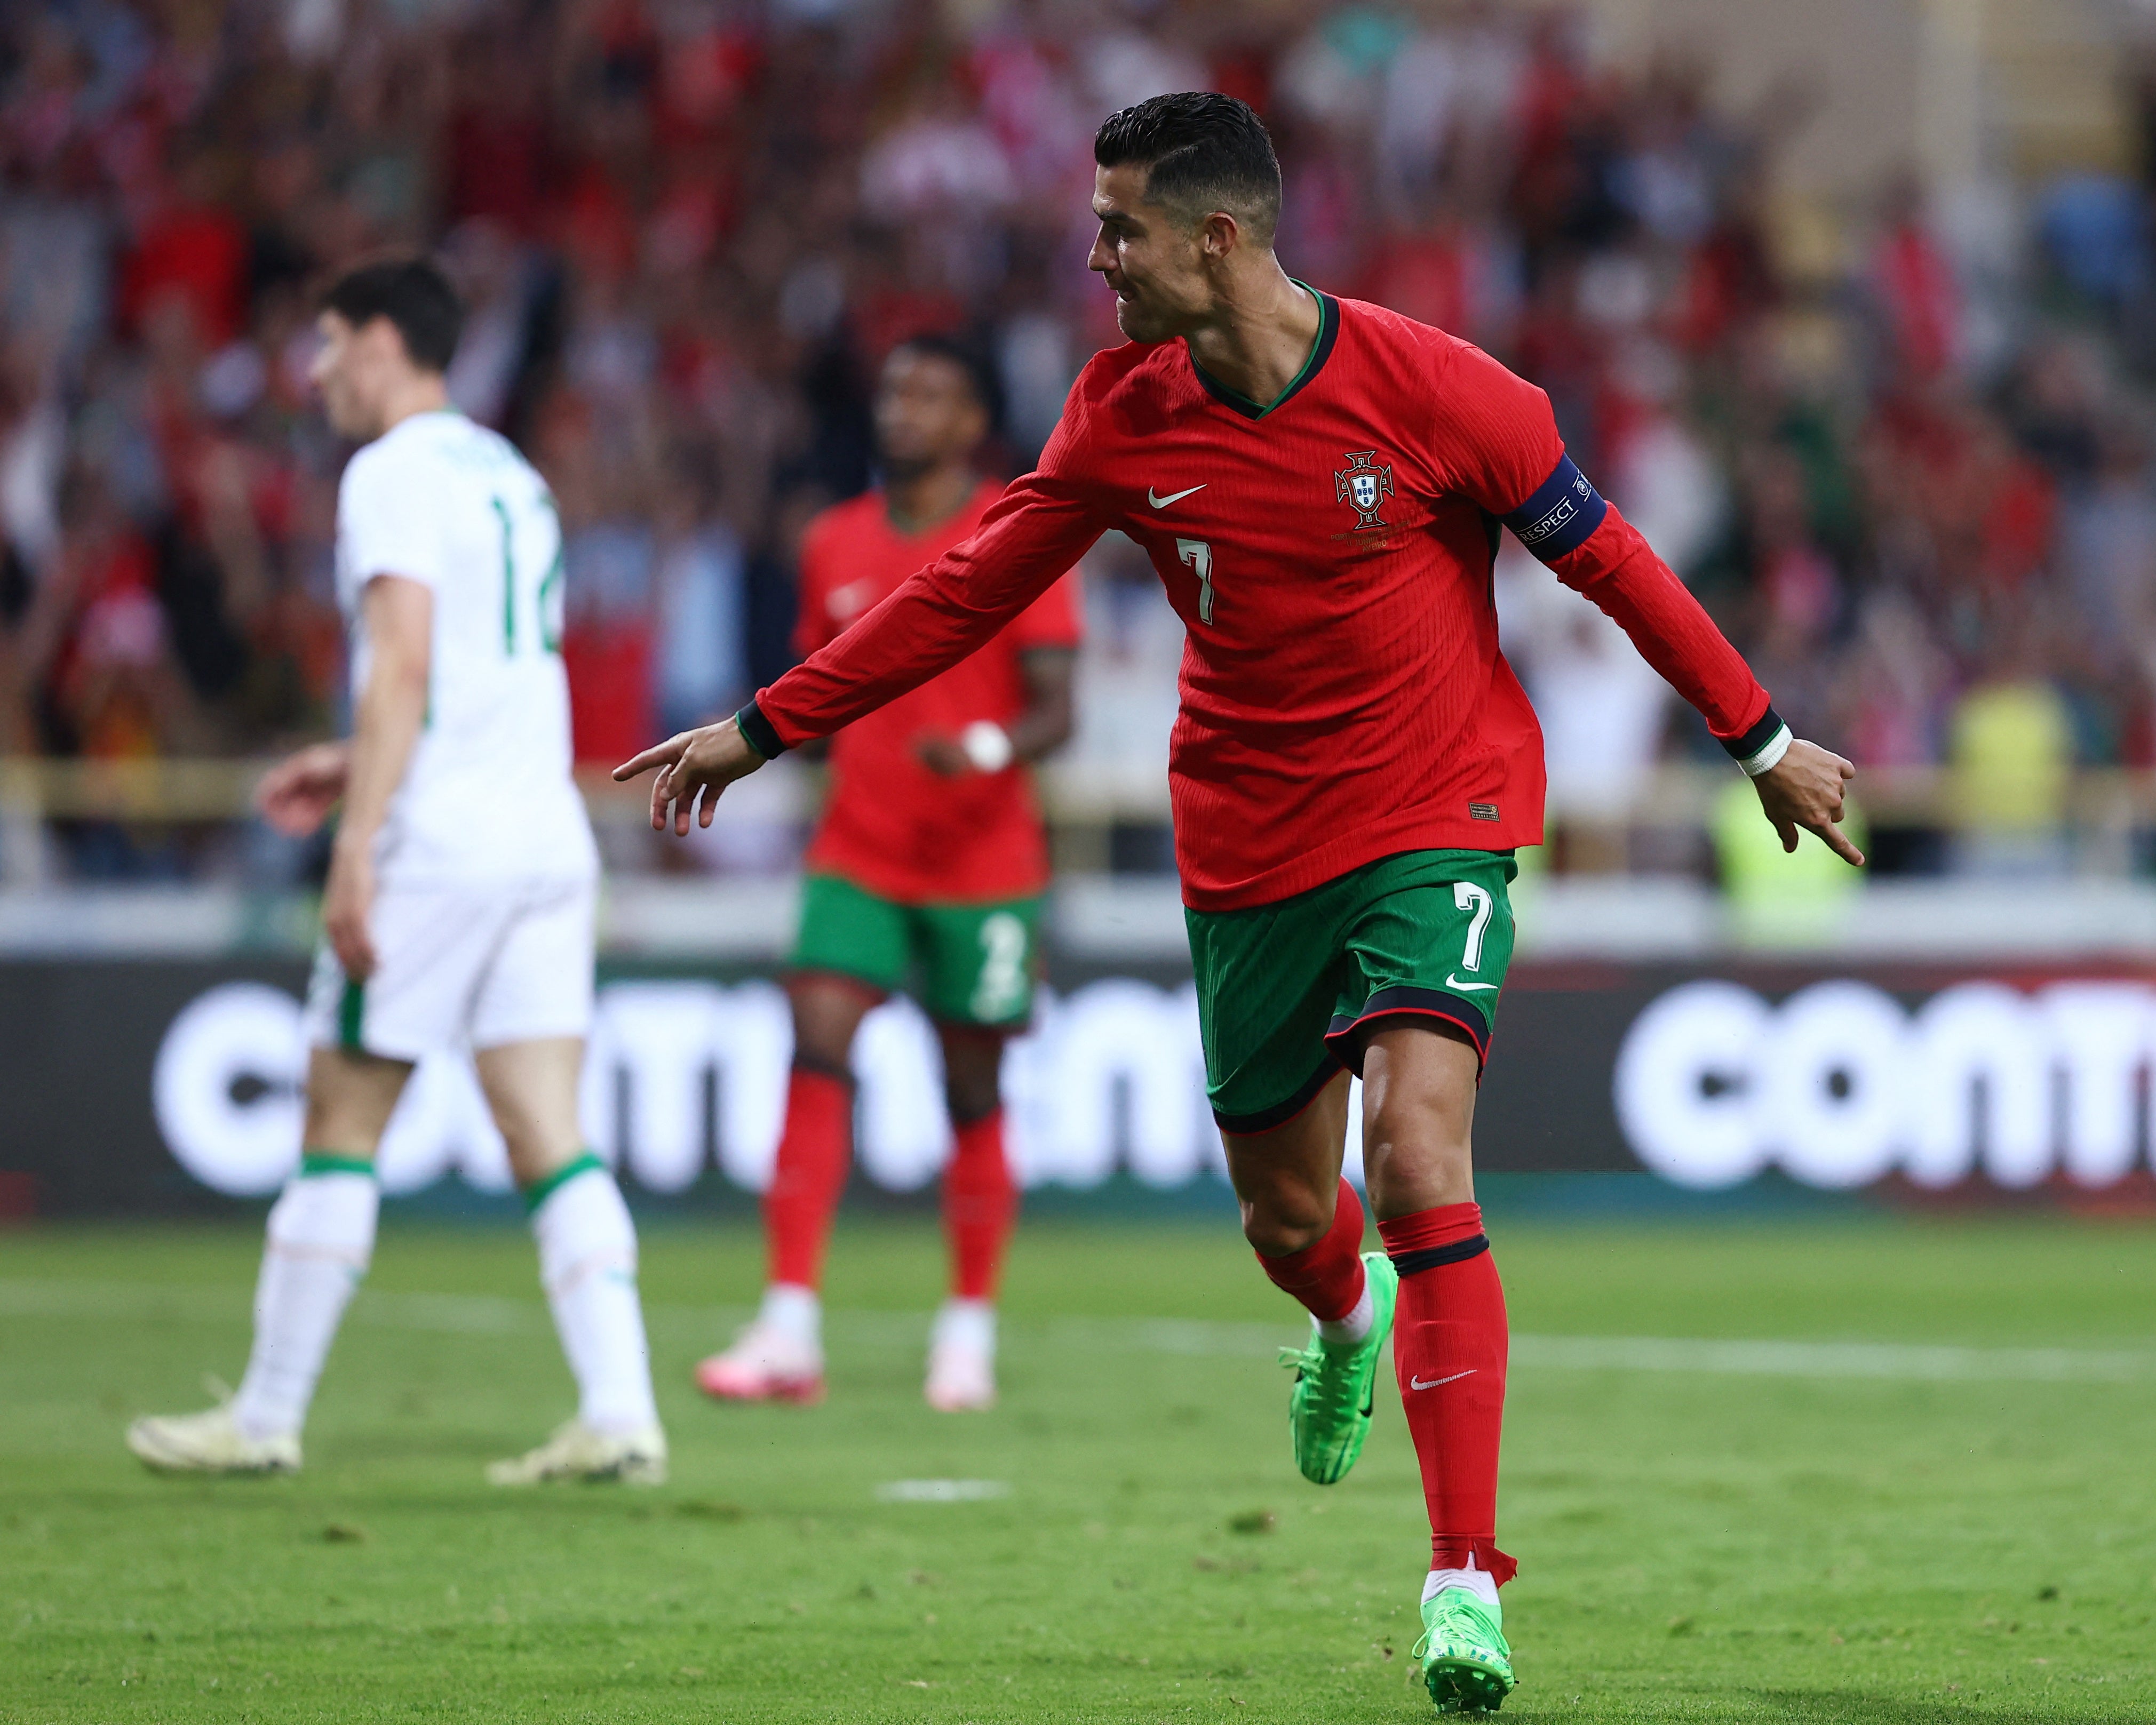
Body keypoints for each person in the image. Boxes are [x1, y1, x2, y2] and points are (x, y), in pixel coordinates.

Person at [617, 94, 1859, 1714]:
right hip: (1251, 849)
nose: (1095, 253)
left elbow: (1610, 558)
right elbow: (965, 585)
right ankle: (1342, 1321)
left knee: (1422, 1154)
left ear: (1214, 237)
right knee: (1292, 1219)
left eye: (1118, 224)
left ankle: (1462, 1576)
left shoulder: (1441, 393)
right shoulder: (1120, 416)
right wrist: (765, 724)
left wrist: (1757, 737)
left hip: (1440, 815)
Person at [126, 259, 665, 1486]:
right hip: (541, 838)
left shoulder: (388, 475)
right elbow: (488, 667)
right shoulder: (506, 472)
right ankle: (622, 1410)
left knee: (341, 1117)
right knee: (548, 1129)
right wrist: (347, 754)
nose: (314, 372)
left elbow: (408, 661)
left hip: (441, 847)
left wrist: (357, 844)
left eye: (325, 344)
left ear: (380, 341)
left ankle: (263, 1417)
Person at [694, 335, 1078, 1412]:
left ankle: (965, 1331)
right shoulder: (832, 542)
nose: (903, 409)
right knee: (815, 1038)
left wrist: (988, 749)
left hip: (983, 859)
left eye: (931, 395)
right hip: (858, 848)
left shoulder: (1017, 528)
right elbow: (817, 686)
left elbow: (1060, 706)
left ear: (972, 423)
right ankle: (787, 1328)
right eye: (895, 390)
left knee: (972, 1088)